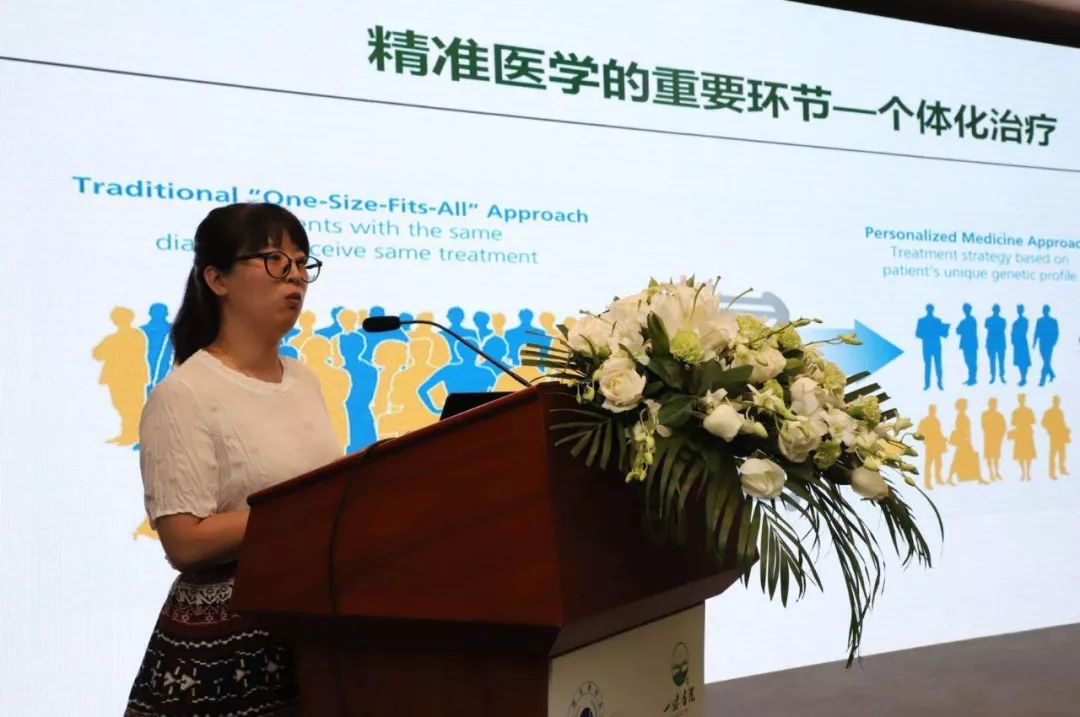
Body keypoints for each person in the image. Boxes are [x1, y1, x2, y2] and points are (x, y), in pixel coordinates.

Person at [125, 203, 339, 716]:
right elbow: (185, 539)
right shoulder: (185, 393)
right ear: (217, 279)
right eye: (274, 260)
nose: (295, 276)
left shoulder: (304, 379)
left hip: (307, 627)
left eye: (301, 262)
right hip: (222, 655)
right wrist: (305, 511)